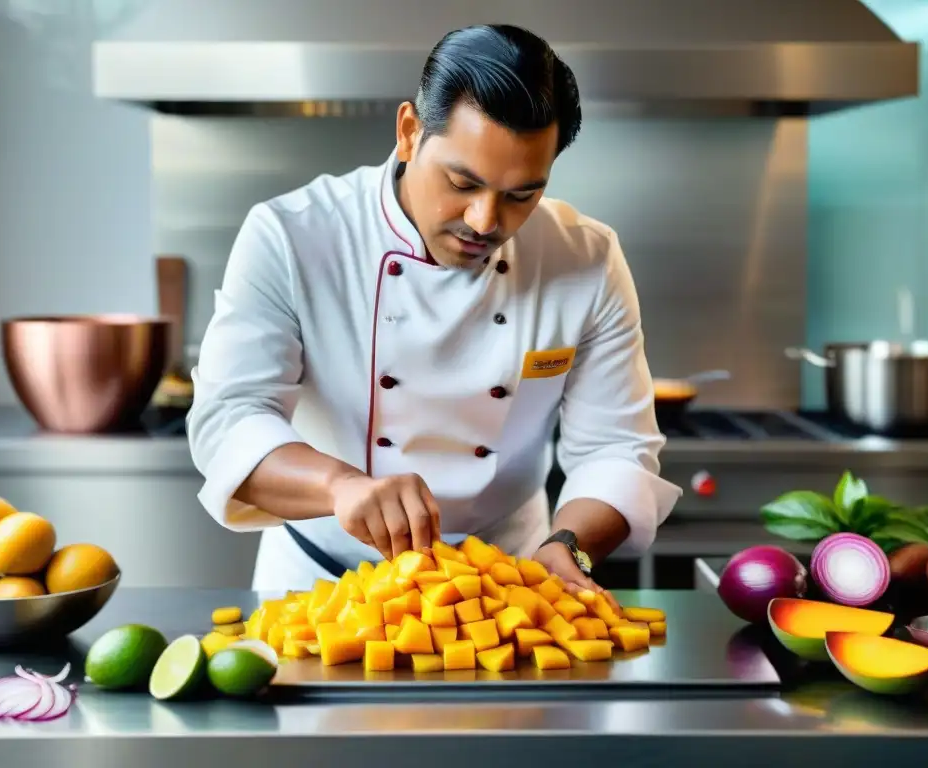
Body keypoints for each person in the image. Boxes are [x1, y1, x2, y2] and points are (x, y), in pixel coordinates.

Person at [187, 24, 682, 605]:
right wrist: (339, 485)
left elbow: (616, 448)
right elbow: (230, 420)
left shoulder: (586, 258)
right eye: (461, 182)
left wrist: (566, 548)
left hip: (509, 588)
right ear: (408, 132)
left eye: (522, 195)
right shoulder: (293, 235)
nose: (484, 221)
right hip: (320, 590)